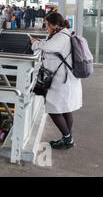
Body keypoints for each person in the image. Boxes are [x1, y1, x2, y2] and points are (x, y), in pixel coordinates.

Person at [30, 12, 82, 149]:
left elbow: (48, 47)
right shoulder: (63, 34)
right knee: (65, 109)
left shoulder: (61, 36)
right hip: (65, 79)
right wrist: (39, 42)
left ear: (53, 25)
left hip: (62, 81)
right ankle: (67, 138)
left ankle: (68, 139)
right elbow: (49, 45)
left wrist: (35, 43)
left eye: (47, 24)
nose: (46, 27)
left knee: (54, 109)